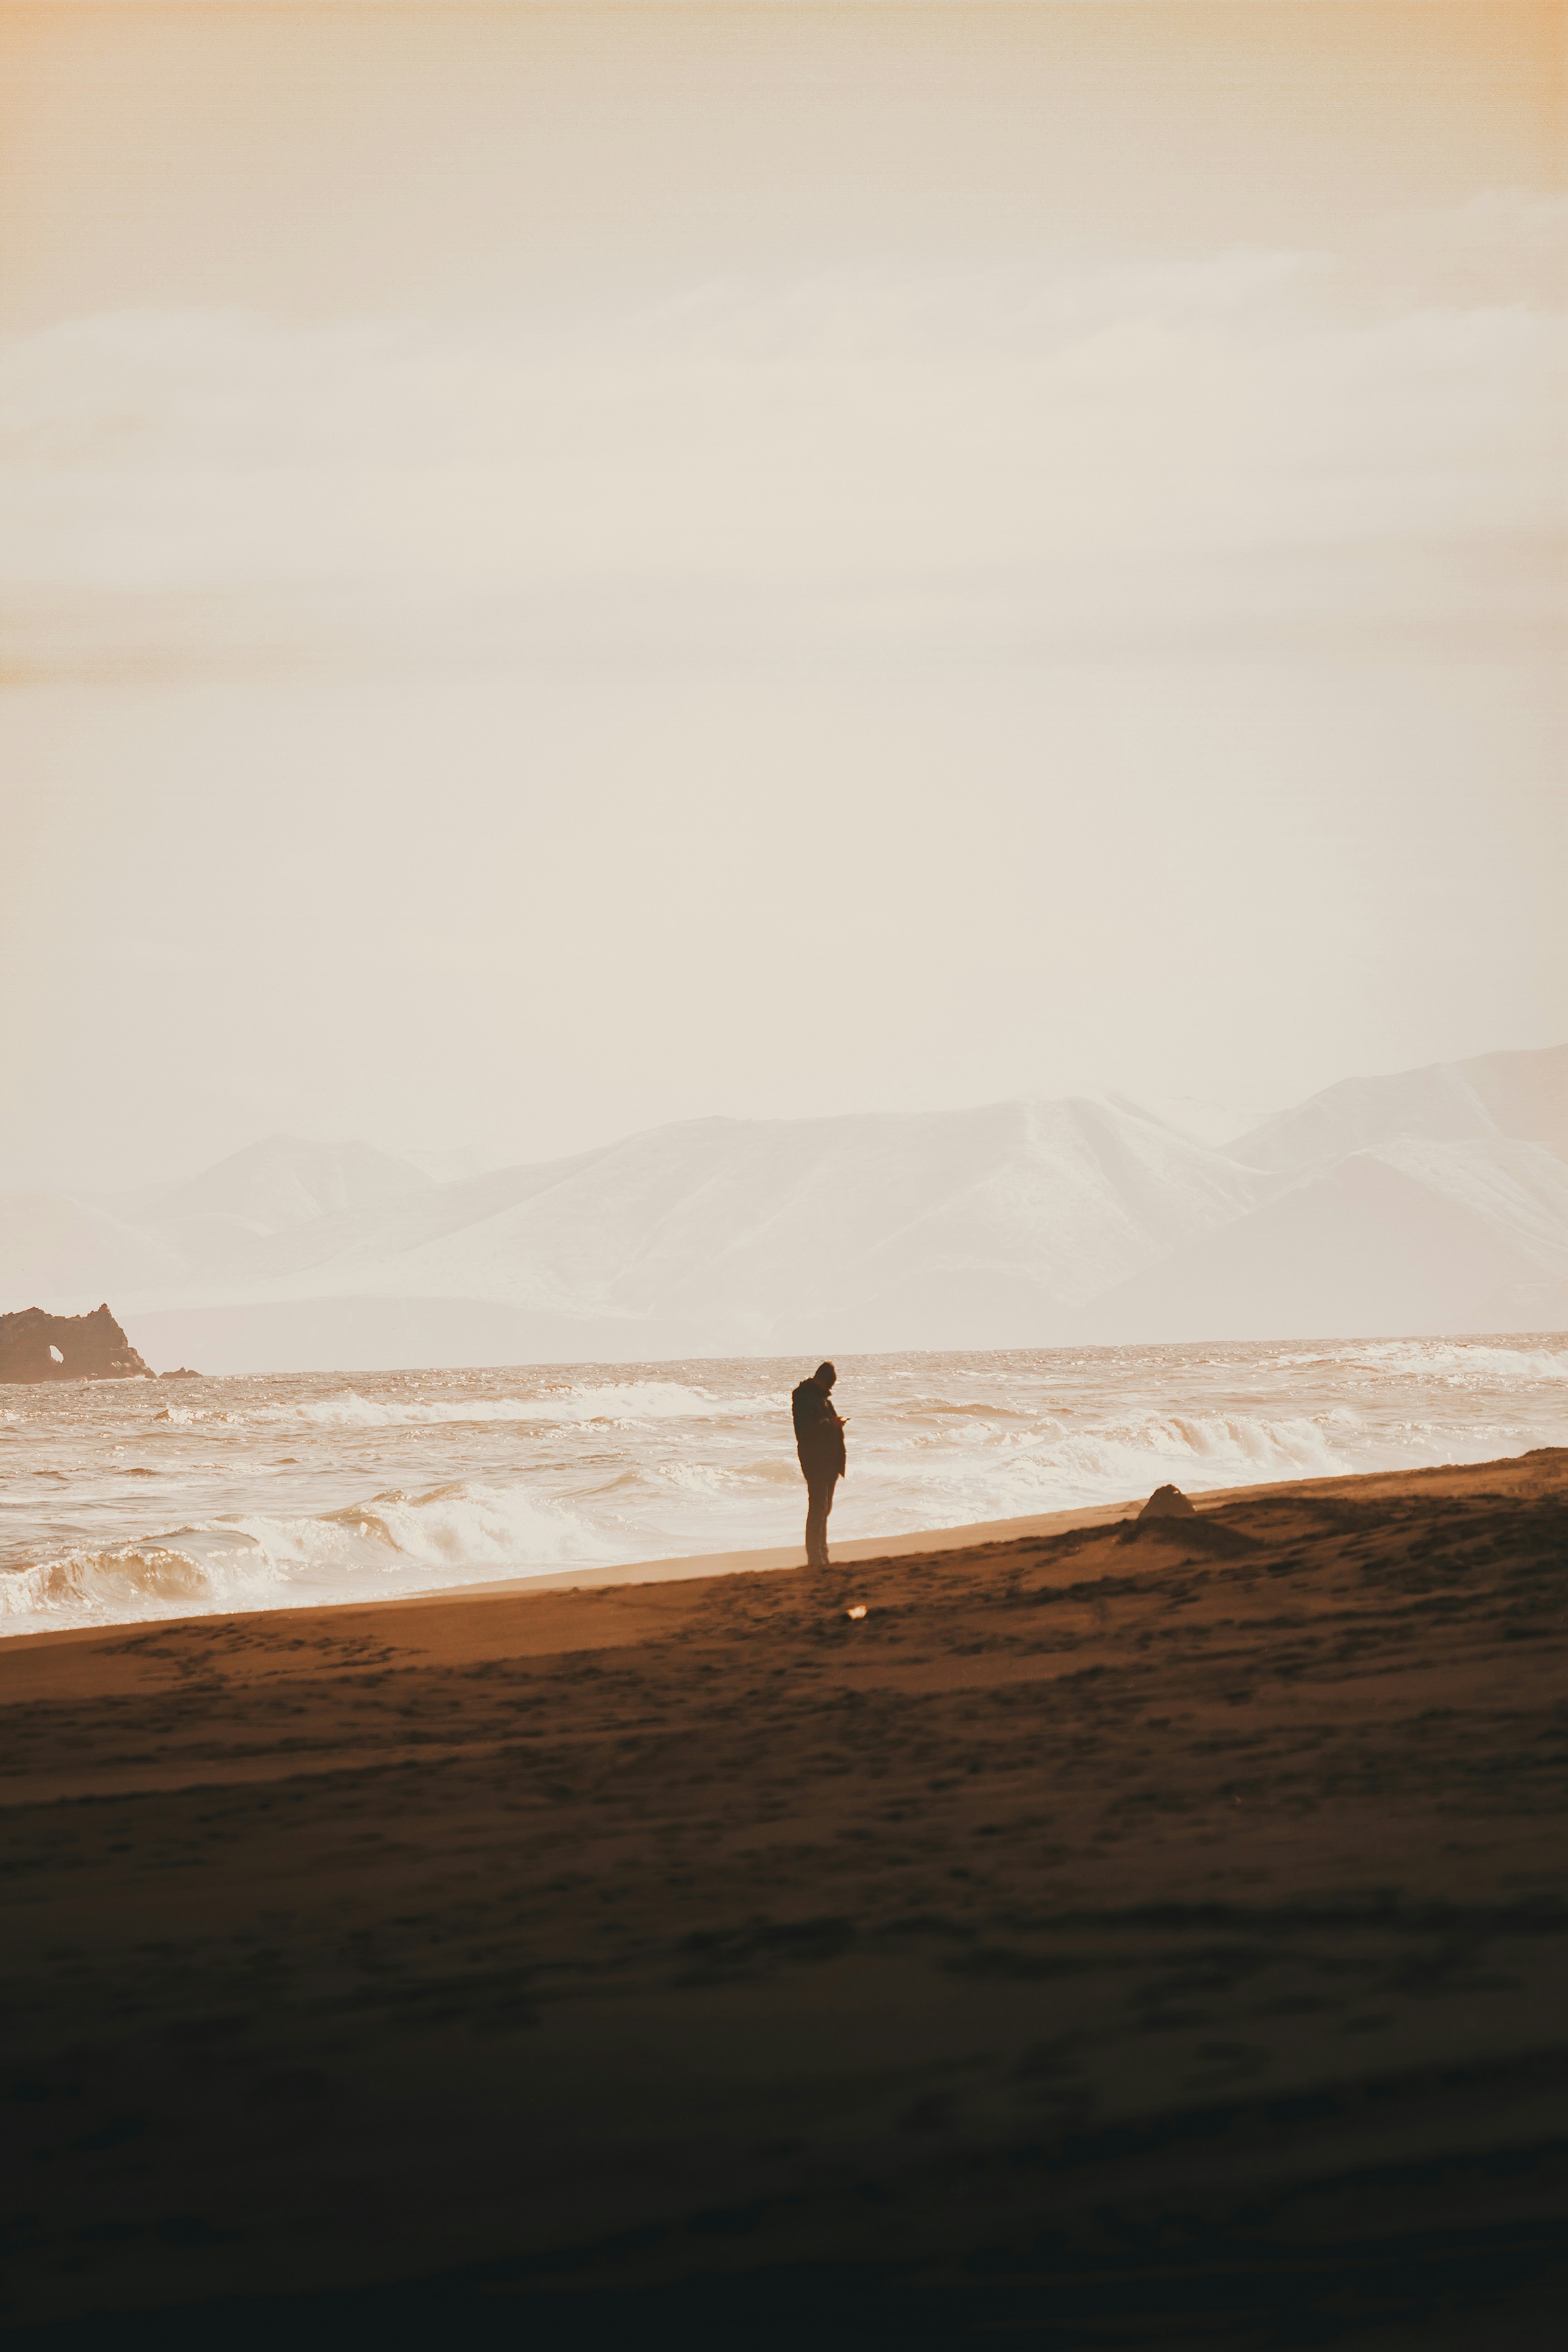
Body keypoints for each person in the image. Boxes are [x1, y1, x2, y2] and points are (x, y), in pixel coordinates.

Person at [792, 1360, 846, 1569]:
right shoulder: (804, 1397)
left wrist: (833, 1424)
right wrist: (830, 1424)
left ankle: (821, 1553)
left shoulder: (821, 1399)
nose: (830, 1390)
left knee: (824, 1508)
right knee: (818, 1508)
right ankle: (816, 1557)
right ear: (822, 1381)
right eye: (828, 1386)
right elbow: (805, 1431)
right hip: (815, 1460)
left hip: (829, 1460)